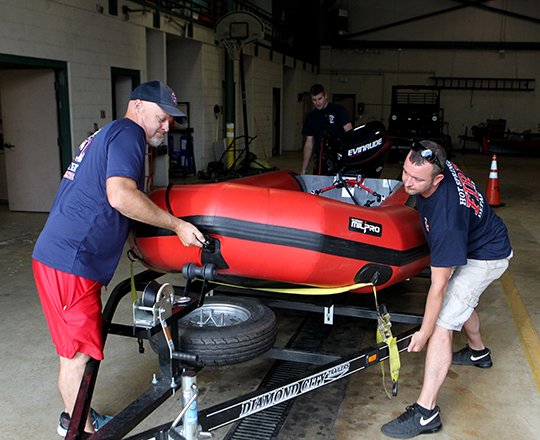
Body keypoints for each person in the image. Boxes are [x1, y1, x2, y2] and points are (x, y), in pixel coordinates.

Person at [32, 80, 206, 436]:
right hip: (71, 261)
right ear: (138, 105)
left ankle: (76, 417)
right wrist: (176, 226)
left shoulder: (111, 134)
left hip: (68, 257)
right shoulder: (129, 134)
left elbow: (110, 201)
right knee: (77, 353)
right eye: (162, 117)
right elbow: (120, 196)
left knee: (74, 349)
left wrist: (136, 244)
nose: (166, 126)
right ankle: (75, 427)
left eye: (171, 120)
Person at [381, 140, 512, 439]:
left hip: (487, 256)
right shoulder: (439, 161)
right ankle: (479, 354)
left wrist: (425, 332)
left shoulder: (446, 219)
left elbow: (437, 286)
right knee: (461, 301)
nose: (408, 182)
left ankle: (426, 412)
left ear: (438, 179)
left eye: (417, 179)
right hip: (481, 239)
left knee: (442, 323)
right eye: (405, 172)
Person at [301, 83, 352, 175]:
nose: (317, 102)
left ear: (325, 96)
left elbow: (350, 133)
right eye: (314, 100)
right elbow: (309, 143)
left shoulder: (338, 110)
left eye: (320, 99)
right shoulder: (311, 117)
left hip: (339, 158)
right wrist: (304, 168)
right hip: (320, 160)